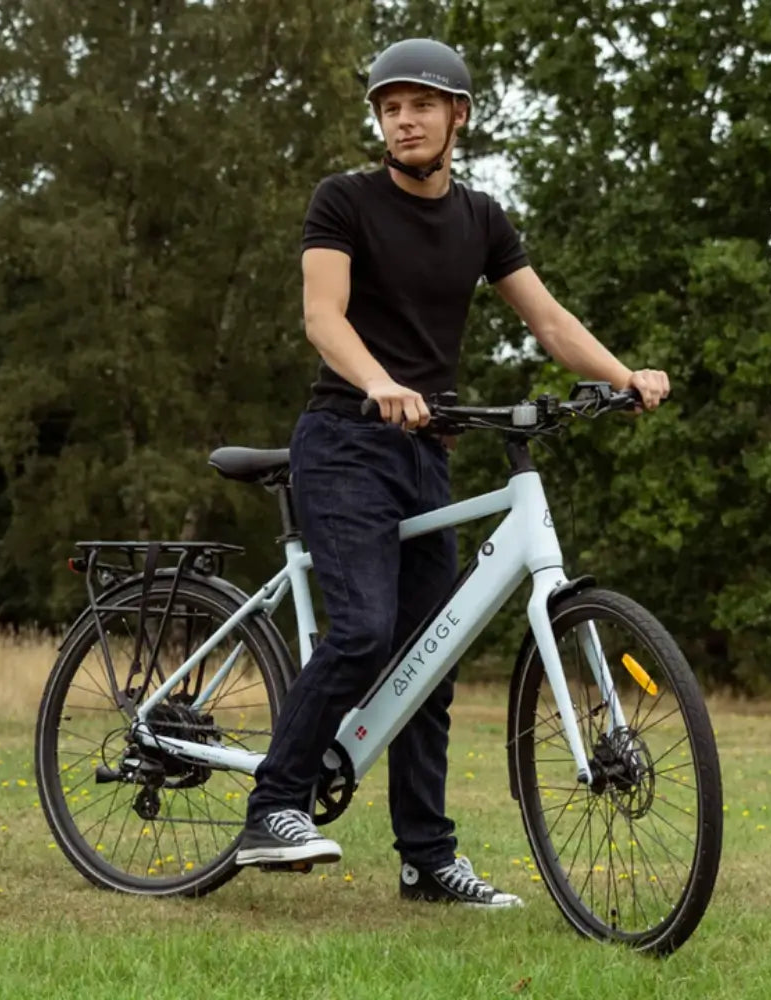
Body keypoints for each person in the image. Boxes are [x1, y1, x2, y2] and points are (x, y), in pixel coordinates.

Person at [236, 38, 670, 908]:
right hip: (346, 437)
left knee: (429, 660)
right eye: (390, 107)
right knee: (364, 629)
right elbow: (323, 318)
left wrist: (623, 377)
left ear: (458, 117)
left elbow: (547, 320)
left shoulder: (480, 218)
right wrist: (381, 382)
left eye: (422, 105)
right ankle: (272, 805)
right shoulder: (344, 201)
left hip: (425, 451)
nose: (403, 119)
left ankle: (426, 860)